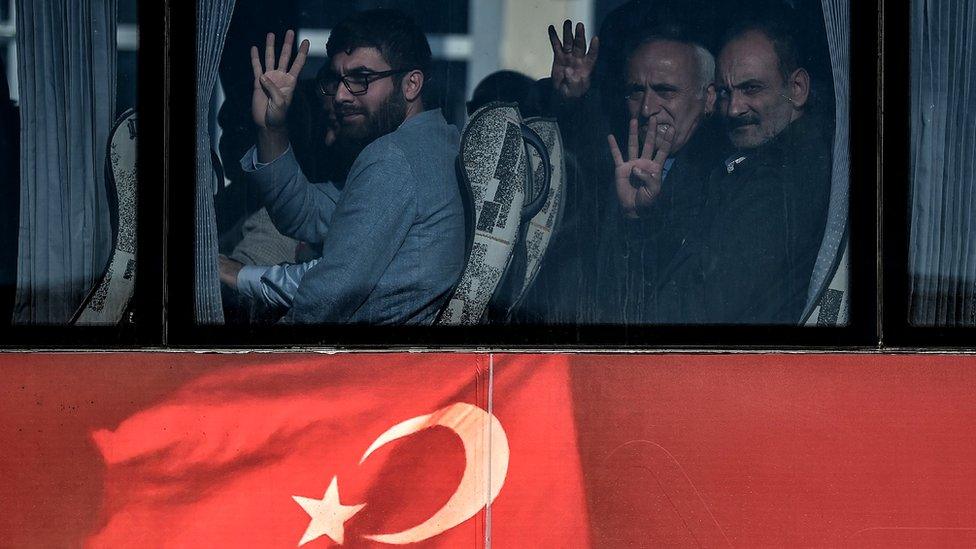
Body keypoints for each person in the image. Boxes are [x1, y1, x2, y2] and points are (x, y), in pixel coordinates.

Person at [219, 9, 466, 324]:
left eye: (361, 79)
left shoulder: (394, 157)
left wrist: (239, 277)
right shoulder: (433, 142)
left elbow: (327, 297)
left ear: (411, 84)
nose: (340, 95)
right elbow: (305, 213)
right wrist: (272, 128)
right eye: (336, 79)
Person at [648, 17, 832, 324]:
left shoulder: (780, 184)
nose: (734, 109)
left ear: (797, 89)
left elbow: (694, 314)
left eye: (751, 89)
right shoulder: (765, 162)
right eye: (725, 92)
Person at [539, 21, 724, 323]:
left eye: (666, 91)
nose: (648, 107)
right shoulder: (620, 159)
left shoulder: (722, 172)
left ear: (709, 98)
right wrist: (573, 98)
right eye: (637, 92)